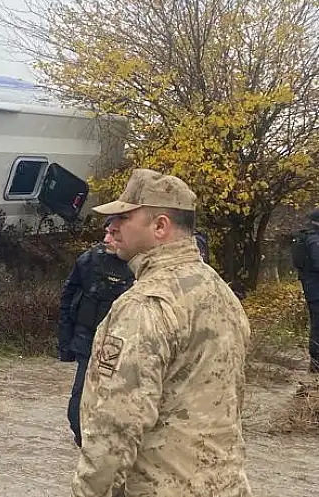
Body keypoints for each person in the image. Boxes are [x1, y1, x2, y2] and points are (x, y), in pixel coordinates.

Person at [73, 168, 251, 497]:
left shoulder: (145, 305)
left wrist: (88, 490)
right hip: (224, 485)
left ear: (160, 226)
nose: (111, 227)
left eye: (123, 217)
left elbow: (118, 422)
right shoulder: (221, 293)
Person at [57, 217, 134, 447]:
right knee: (79, 402)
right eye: (106, 233)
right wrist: (65, 342)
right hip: (87, 340)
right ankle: (83, 440)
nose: (107, 239)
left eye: (113, 233)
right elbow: (67, 298)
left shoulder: (138, 265)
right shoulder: (89, 259)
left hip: (122, 344)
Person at [290, 210, 319, 372]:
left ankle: (315, 361)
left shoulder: (306, 236)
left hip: (311, 287)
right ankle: (316, 363)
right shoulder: (314, 239)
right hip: (316, 289)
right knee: (318, 325)